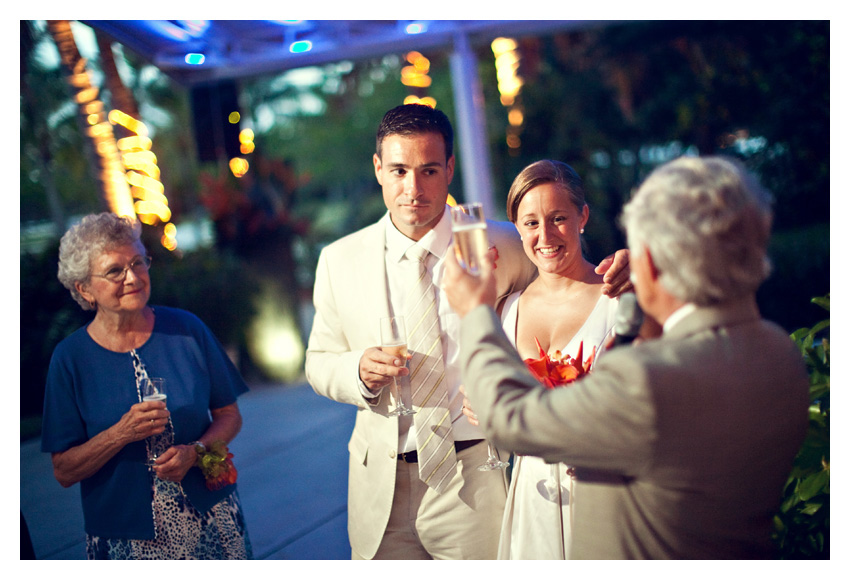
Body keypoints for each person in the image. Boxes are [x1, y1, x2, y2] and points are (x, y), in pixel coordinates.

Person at [304, 103, 632, 560]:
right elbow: (318, 362)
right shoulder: (339, 260)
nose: (412, 188)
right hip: (381, 483)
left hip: (475, 476)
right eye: (398, 170)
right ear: (378, 169)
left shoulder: (503, 241)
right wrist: (356, 368)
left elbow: (565, 268)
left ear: (450, 169)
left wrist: (629, 269)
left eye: (428, 170)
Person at [443, 155, 810, 559]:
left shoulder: (644, 379)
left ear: (649, 260)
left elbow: (511, 420)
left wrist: (474, 310)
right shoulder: (781, 354)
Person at [41, 212, 252, 560]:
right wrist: (120, 433)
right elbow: (64, 470)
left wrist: (195, 452)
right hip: (126, 538)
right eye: (114, 271)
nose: (133, 277)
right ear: (84, 288)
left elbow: (230, 415)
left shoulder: (186, 329)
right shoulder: (70, 359)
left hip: (212, 520)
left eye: (139, 262)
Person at [469, 159, 621, 559]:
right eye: (531, 223)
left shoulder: (620, 300)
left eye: (558, 218)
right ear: (516, 228)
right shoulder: (506, 311)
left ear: (582, 216)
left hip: (604, 496)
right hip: (532, 497)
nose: (545, 235)